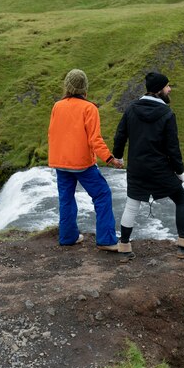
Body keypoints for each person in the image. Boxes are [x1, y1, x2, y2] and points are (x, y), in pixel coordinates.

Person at [113, 71, 184, 261]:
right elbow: (173, 147)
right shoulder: (167, 113)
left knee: (132, 205)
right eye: (167, 86)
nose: (170, 89)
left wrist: (118, 157)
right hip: (160, 169)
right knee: (181, 199)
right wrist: (179, 171)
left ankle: (124, 246)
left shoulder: (132, 108)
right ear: (159, 90)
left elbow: (120, 136)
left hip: (137, 168)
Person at [48, 69, 121, 250]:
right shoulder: (90, 108)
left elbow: (53, 133)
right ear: (84, 88)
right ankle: (106, 240)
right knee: (102, 195)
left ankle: (67, 237)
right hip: (81, 163)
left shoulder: (57, 106)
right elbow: (95, 140)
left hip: (60, 162)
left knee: (66, 199)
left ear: (67, 86)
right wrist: (110, 159)